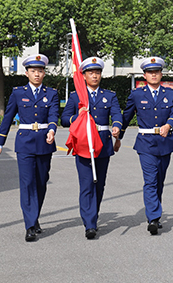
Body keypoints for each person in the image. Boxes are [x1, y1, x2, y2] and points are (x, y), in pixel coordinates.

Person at [0, 54, 59, 242]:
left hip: (45, 143)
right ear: (26, 73)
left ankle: (34, 217)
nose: (37, 74)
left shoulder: (51, 93)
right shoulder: (18, 93)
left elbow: (54, 115)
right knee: (27, 183)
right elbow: (7, 118)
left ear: (44, 73)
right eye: (33, 71)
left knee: (41, 182)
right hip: (25, 143)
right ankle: (30, 225)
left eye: (40, 71)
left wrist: (52, 130)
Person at [61, 57, 122, 239]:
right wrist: (77, 116)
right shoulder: (76, 96)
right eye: (90, 73)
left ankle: (92, 215)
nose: (94, 76)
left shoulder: (109, 95)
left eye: (97, 73)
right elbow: (64, 119)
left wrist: (117, 125)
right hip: (83, 144)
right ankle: (90, 224)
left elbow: (117, 113)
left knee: (99, 184)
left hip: (102, 144)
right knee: (87, 184)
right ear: (84, 75)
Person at [119, 57, 173, 235]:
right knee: (150, 180)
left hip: (165, 143)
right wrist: (118, 136)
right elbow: (127, 116)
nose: (153, 75)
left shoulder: (170, 93)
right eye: (150, 72)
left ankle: (156, 213)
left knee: (159, 181)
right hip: (145, 143)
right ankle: (153, 218)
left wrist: (169, 124)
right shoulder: (137, 94)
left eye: (156, 72)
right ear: (144, 75)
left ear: (161, 74)